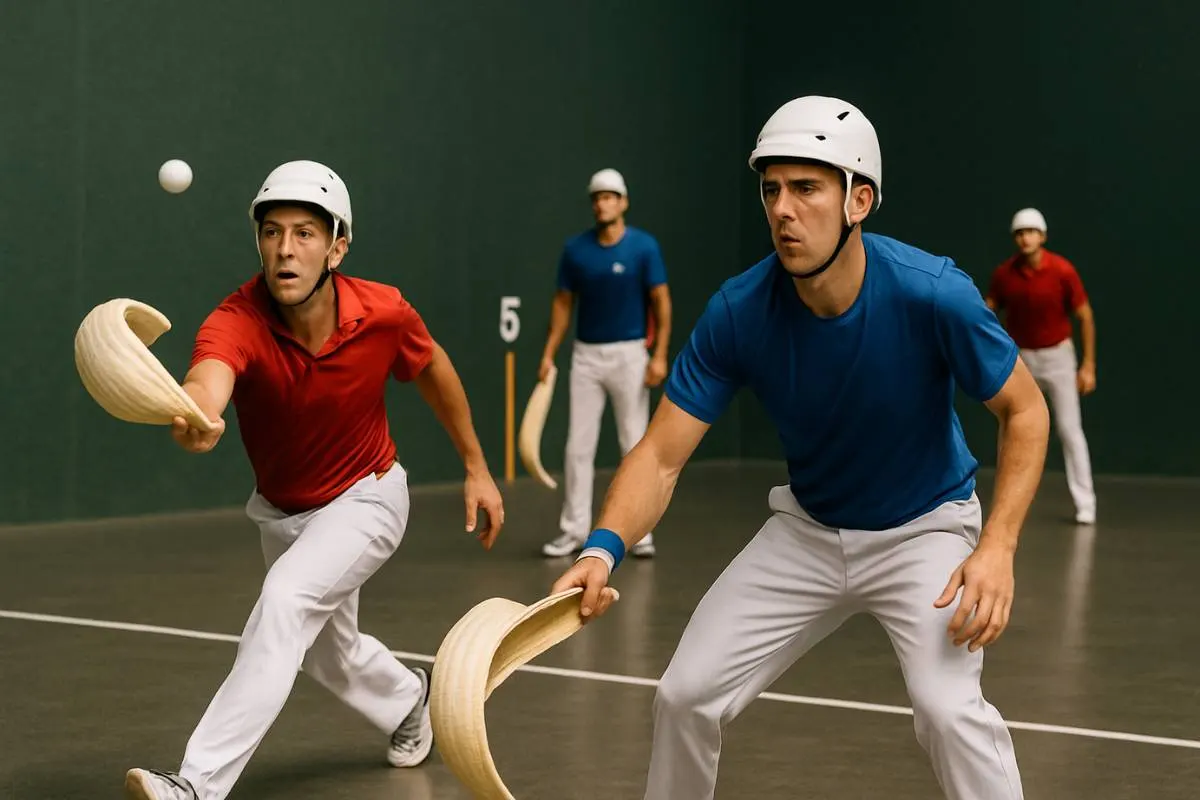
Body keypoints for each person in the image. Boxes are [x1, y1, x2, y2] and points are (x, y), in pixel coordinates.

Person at [550, 96, 1051, 800]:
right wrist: (601, 550)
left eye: (807, 188)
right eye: (771, 189)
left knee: (947, 711)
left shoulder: (934, 294)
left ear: (859, 200)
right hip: (809, 530)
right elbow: (660, 456)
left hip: (926, 529)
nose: (783, 209)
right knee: (684, 695)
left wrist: (997, 545)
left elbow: (1025, 410)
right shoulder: (739, 311)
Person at [124, 160, 504, 800]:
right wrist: (197, 417)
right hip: (283, 513)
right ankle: (410, 701)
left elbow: (432, 366)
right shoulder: (235, 320)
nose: (285, 249)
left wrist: (477, 466)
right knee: (331, 652)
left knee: (284, 601)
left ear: (337, 247)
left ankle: (195, 785)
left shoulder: (383, 311)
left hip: (368, 495)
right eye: (272, 232)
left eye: (304, 233)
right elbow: (207, 383)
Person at [537, 168, 672, 559]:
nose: (602, 204)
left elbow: (661, 301)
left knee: (635, 444)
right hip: (586, 357)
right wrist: (548, 352)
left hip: (630, 355)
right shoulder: (576, 251)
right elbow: (563, 304)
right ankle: (573, 530)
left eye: (610, 197)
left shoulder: (644, 248)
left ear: (623, 202)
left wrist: (660, 354)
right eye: (597, 198)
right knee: (578, 447)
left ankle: (639, 533)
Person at [986, 208, 1097, 524]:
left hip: (1058, 357)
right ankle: (1007, 506)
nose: (1026, 238)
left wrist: (1087, 366)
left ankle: (1086, 503)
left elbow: (1085, 316)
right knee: (1013, 429)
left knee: (1069, 430)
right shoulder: (1004, 275)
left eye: (1032, 232)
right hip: (1022, 359)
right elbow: (986, 310)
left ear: (1043, 236)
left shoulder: (1062, 271)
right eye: (1020, 233)